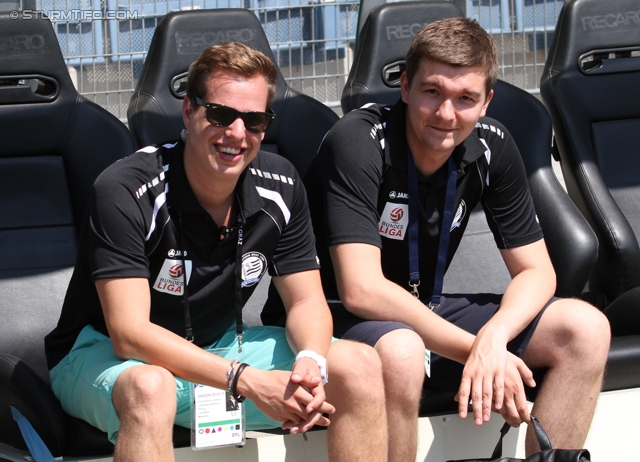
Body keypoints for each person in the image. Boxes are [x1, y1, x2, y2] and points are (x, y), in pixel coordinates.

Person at [44, 42, 387, 462]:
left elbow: (306, 300)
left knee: (360, 366)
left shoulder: (280, 184)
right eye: (221, 114)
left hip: (219, 348)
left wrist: (312, 360)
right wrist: (246, 380)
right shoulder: (126, 188)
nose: (237, 134)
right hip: (108, 355)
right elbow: (128, 333)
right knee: (151, 388)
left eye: (255, 120)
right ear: (189, 111)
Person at [298, 17, 610, 459]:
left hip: (426, 308)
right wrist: (476, 351)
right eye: (432, 92)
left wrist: (494, 338)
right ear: (405, 87)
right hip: (337, 316)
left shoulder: (492, 144)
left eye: (465, 98)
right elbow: (360, 288)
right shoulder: (358, 139)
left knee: (585, 328)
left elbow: (537, 272)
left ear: (487, 102)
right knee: (403, 350)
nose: (446, 114)